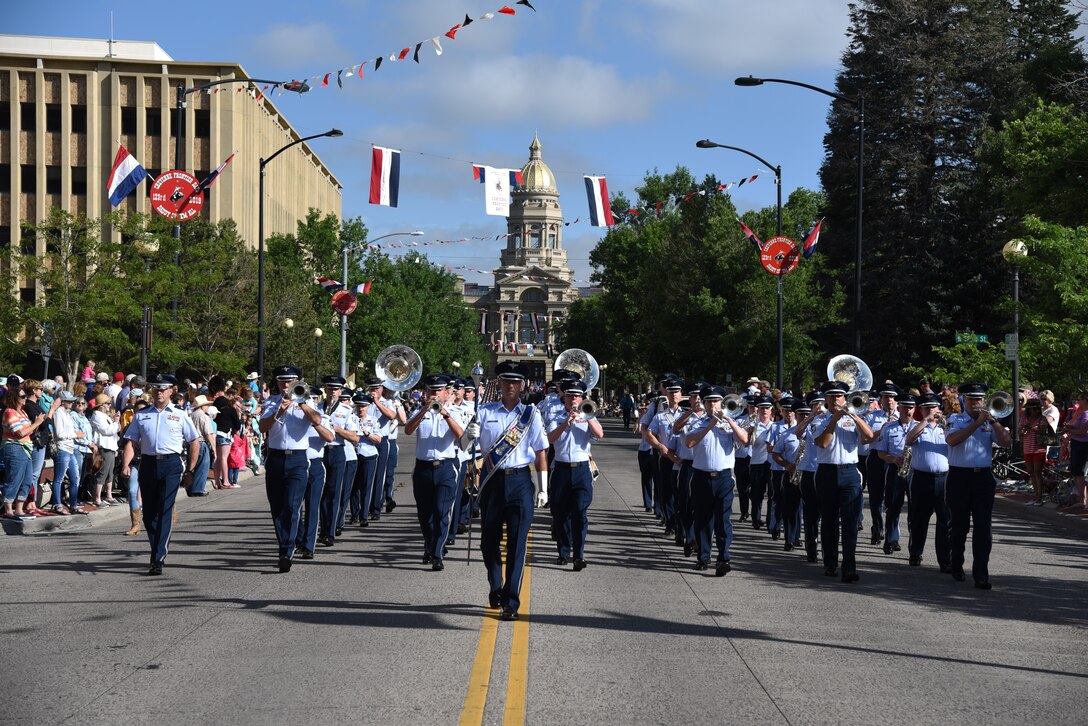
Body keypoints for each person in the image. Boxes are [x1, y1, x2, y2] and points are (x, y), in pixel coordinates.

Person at [463, 361, 547, 621]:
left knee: (517, 544)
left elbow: (541, 451)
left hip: (521, 481)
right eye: (505, 381)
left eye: (515, 381)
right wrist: (468, 435)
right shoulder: (484, 411)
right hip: (492, 481)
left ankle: (511, 601)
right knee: (488, 542)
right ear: (498, 383)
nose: (510, 385)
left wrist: (544, 488)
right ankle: (495, 586)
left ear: (523, 385)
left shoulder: (531, 415)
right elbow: (465, 447)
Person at [120, 374, 200, 575]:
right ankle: (158, 546)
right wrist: (126, 464)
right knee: (149, 514)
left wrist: (190, 469)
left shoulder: (180, 414)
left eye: (163, 389)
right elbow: (131, 441)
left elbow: (194, 441)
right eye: (156, 389)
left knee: (165, 509)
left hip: (171, 464)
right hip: (147, 463)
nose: (159, 393)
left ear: (171, 391)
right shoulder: (142, 414)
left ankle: (158, 557)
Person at [944, 382, 1012, 589]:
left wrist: (995, 423)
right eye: (972, 399)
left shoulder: (989, 421)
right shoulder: (954, 419)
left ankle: (981, 574)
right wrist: (976, 423)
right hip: (959, 477)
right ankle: (956, 564)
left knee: (983, 528)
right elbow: (952, 440)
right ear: (964, 400)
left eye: (980, 399)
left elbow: (1006, 443)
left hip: (983, 477)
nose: (976, 403)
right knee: (959, 526)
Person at [259, 366, 323, 572]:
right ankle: (286, 543)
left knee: (292, 506)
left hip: (297, 458)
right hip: (275, 458)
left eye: (290, 381)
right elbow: (263, 427)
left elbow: (317, 421)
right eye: (282, 381)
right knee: (277, 508)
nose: (285, 385)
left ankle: (286, 551)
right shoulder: (271, 402)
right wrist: (280, 409)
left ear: (298, 382)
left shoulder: (307, 401)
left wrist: (301, 403)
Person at [812, 380, 874, 583]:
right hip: (827, 472)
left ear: (845, 398)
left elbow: (869, 437)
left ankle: (849, 566)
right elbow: (822, 442)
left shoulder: (853, 417)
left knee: (850, 522)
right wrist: (834, 420)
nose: (835, 399)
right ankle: (830, 563)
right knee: (829, 521)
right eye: (831, 396)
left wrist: (854, 416)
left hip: (849, 472)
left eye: (839, 396)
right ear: (826, 400)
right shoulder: (819, 420)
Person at [685, 384, 749, 575]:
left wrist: (729, 420)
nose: (713, 404)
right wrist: (711, 424)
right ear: (703, 403)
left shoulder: (731, 421)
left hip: (724, 478)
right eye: (709, 401)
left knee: (723, 520)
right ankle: (704, 557)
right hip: (701, 477)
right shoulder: (696, 422)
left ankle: (723, 558)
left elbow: (745, 440)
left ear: (722, 402)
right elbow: (689, 442)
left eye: (716, 401)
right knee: (702, 519)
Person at [404, 374, 465, 570]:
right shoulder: (419, 411)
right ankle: (429, 544)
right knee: (425, 515)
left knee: (441, 511)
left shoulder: (455, 411)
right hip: (423, 468)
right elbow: (407, 430)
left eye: (438, 390)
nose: (435, 394)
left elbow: (461, 436)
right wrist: (424, 410)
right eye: (431, 390)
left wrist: (445, 414)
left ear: (447, 392)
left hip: (446, 467)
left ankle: (437, 553)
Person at [547, 379, 604, 570]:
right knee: (560, 514)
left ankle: (578, 556)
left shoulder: (588, 414)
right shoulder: (555, 416)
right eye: (570, 395)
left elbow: (599, 435)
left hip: (581, 470)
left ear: (582, 398)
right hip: (561, 469)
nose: (574, 399)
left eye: (577, 396)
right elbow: (550, 439)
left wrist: (587, 417)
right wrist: (566, 422)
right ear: (564, 397)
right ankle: (563, 552)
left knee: (580, 512)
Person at [905, 392, 952, 571]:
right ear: (921, 410)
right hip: (921, 478)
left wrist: (945, 424)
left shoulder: (947, 426)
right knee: (919, 519)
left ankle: (944, 559)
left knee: (944, 520)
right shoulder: (917, 426)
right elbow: (909, 440)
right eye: (926, 408)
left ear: (939, 407)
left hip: (944, 479)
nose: (931, 410)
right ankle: (915, 553)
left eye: (933, 407)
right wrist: (926, 421)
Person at [317, 375, 358, 546]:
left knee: (333, 493)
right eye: (330, 388)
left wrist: (335, 428)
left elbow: (354, 438)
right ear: (325, 389)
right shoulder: (316, 407)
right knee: (319, 494)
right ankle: (320, 529)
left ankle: (330, 532)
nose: (333, 392)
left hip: (336, 451)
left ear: (341, 391)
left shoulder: (346, 411)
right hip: (318, 451)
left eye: (336, 389)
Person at [874, 393, 916, 555]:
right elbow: (880, 453)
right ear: (899, 408)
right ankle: (890, 540)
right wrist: (892, 458)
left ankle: (914, 545)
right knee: (893, 506)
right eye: (905, 407)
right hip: (895, 469)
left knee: (915, 509)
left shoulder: (919, 426)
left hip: (914, 470)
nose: (908, 410)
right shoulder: (889, 428)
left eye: (911, 407)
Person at [1, 385, 48, 520]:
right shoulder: (9, 412)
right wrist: (36, 423)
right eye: (22, 396)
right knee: (14, 479)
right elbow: (20, 432)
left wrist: (38, 423)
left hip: (26, 447)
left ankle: (19, 509)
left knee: (27, 480)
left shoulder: (22, 412)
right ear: (14, 398)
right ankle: (8, 510)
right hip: (14, 447)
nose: (25, 398)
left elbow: (30, 430)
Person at [297, 386, 334, 559]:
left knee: (312, 506)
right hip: (297, 464)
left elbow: (330, 437)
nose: (310, 400)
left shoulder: (322, 418)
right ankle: (298, 540)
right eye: (307, 397)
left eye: (312, 398)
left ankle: (309, 545)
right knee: (294, 506)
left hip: (315, 464)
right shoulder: (294, 417)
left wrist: (314, 422)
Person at [89, 394, 121, 506]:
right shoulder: (97, 416)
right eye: (107, 403)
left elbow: (116, 429)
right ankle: (97, 498)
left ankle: (109, 495)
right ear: (101, 405)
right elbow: (107, 430)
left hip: (111, 446)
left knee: (110, 473)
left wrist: (116, 422)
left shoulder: (105, 416)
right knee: (102, 472)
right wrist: (116, 423)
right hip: (104, 447)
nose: (109, 406)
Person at [1021, 398, 1052, 506]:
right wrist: (1023, 429)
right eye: (1033, 409)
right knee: (1031, 473)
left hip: (1039, 449)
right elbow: (1020, 433)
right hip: (1027, 448)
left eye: (1037, 409)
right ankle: (1036, 497)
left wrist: (1034, 428)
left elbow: (1043, 430)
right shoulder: (1024, 418)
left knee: (1037, 473)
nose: (1035, 411)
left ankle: (1040, 498)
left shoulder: (1042, 418)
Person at [1061, 390, 1088, 510]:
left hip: (1083, 444)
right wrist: (1069, 427)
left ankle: (1082, 500)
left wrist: (1069, 431)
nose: (1078, 401)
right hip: (1077, 442)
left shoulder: (1086, 413)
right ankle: (1081, 499)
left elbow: (1083, 431)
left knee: (1079, 471)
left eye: (1080, 399)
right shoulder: (1080, 412)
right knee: (1076, 471)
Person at [188, 395, 216, 496]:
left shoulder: (191, 415)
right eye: (206, 405)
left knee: (192, 466)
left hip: (191, 442)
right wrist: (213, 448)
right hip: (201, 442)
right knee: (203, 466)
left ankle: (191, 486)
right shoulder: (204, 416)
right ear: (202, 406)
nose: (207, 407)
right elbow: (208, 433)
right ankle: (198, 489)